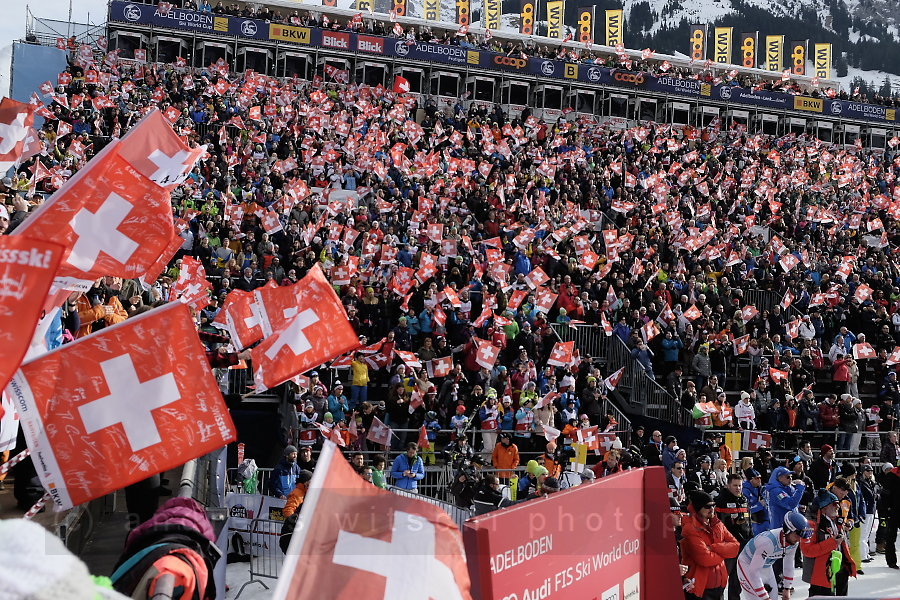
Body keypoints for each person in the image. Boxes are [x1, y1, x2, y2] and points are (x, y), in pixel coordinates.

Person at [736, 511, 812, 600]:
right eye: (797, 535)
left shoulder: (793, 541)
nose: (799, 539)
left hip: (766, 566)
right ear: (788, 530)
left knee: (774, 597)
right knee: (757, 598)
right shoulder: (767, 542)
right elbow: (753, 572)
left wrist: (787, 588)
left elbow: (789, 564)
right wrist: (764, 597)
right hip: (747, 565)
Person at [681, 490, 740, 600]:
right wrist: (724, 552)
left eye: (713, 505)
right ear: (698, 508)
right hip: (700, 589)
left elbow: (735, 547)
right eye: (708, 506)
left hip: (719, 587)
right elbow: (705, 559)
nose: (712, 509)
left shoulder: (717, 524)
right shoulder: (690, 528)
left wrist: (714, 547)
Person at [801, 489, 857, 596]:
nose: (838, 507)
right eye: (835, 504)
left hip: (840, 572)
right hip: (821, 576)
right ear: (824, 508)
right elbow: (807, 550)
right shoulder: (810, 526)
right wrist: (832, 542)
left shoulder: (836, 521)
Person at [716, 474, 753, 600]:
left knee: (737, 579)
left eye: (740, 485)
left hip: (744, 544)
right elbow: (718, 524)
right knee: (722, 578)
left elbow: (749, 522)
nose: (738, 488)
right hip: (728, 545)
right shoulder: (720, 501)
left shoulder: (744, 500)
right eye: (735, 485)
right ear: (728, 485)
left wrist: (751, 538)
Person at [743, 469, 769, 536]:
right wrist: (759, 504)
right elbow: (746, 510)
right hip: (751, 520)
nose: (759, 480)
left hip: (763, 519)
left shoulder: (760, 488)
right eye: (756, 478)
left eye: (760, 478)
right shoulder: (745, 491)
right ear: (750, 480)